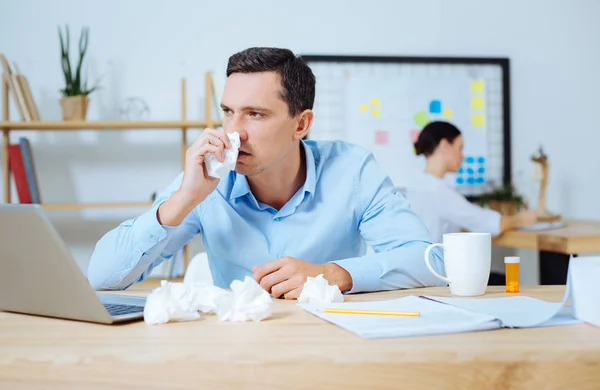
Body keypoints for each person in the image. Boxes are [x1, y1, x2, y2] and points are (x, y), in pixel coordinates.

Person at [87, 47, 445, 298]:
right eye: (228, 111)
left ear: (301, 123)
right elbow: (102, 278)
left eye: (255, 114)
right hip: (238, 355)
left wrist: (333, 274)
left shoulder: (352, 170)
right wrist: (183, 200)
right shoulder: (207, 179)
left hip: (330, 349)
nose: (234, 131)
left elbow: (428, 262)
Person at [405, 121, 537, 284]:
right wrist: (523, 219)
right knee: (503, 280)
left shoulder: (415, 186)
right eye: (459, 148)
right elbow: (490, 224)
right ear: (445, 145)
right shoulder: (439, 191)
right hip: (439, 278)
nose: (462, 156)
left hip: (419, 274)